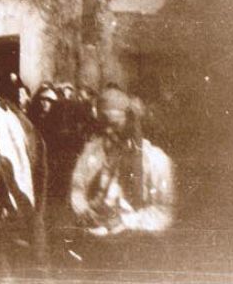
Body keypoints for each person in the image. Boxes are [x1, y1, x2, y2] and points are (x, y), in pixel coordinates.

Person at [70, 86, 174, 236]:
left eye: (114, 125)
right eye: (103, 124)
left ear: (129, 121)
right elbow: (77, 187)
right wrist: (83, 210)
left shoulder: (155, 160)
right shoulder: (91, 151)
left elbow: (164, 211)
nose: (108, 131)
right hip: (95, 237)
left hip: (139, 243)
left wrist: (126, 221)